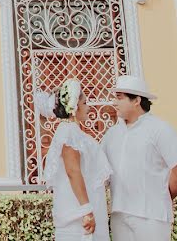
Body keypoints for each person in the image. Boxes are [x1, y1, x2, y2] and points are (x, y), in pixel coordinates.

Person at [101, 75, 177, 241]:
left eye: (119, 98)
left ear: (136, 100)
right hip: (119, 214)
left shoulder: (160, 129)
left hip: (152, 217)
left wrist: (162, 195)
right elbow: (101, 172)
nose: (115, 103)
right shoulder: (111, 134)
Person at [35, 79, 111, 240]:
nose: (89, 108)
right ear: (75, 107)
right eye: (85, 103)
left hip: (86, 210)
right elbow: (73, 171)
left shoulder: (72, 131)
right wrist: (86, 210)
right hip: (78, 216)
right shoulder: (68, 133)